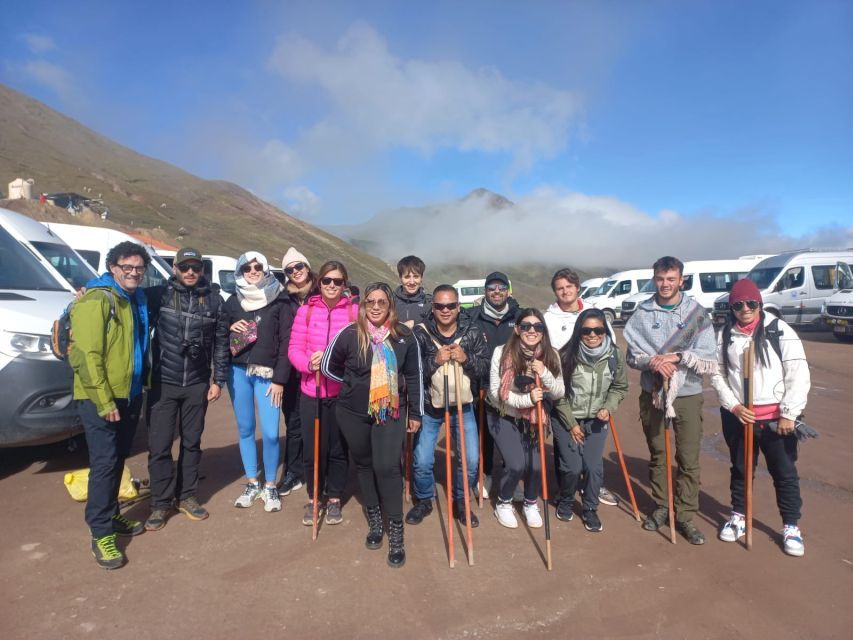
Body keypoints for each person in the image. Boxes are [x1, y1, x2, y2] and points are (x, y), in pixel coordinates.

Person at [321, 282, 424, 568]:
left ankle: (396, 531)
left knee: (387, 468)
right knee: (364, 465)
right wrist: (354, 386)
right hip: (352, 412)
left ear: (390, 306)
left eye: (382, 301)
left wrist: (415, 413)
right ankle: (375, 520)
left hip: (389, 411)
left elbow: (415, 377)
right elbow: (329, 366)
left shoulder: (404, 336)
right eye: (371, 301)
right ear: (364, 305)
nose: (376, 306)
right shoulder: (351, 334)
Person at [710, 278, 810, 556]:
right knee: (741, 469)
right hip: (740, 416)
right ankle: (739, 516)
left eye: (751, 303)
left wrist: (789, 413)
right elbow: (717, 374)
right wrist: (733, 406)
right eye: (738, 304)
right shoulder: (725, 334)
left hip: (776, 419)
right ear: (731, 307)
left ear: (759, 304)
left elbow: (798, 374)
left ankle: (791, 526)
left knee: (785, 473)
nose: (745, 308)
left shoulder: (780, 331)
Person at [623, 256, 717, 545]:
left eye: (671, 279)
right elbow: (631, 355)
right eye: (660, 279)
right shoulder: (642, 313)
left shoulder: (697, 314)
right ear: (655, 279)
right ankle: (662, 506)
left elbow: (707, 355)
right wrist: (653, 362)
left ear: (681, 280)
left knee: (687, 458)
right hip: (653, 393)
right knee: (658, 453)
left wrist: (676, 357)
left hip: (687, 394)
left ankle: (686, 515)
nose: (665, 284)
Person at [69, 241, 151, 569]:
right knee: (103, 463)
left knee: (117, 458)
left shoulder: (132, 299)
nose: (133, 273)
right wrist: (104, 401)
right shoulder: (96, 299)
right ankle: (100, 532)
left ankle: (113, 515)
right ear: (112, 267)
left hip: (128, 393)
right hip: (99, 397)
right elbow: (85, 355)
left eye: (139, 268)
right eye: (126, 267)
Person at [144, 247, 230, 531]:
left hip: (196, 384)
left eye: (195, 267)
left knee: (192, 443)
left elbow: (221, 344)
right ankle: (160, 503)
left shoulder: (214, 301)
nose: (190, 272)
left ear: (202, 269)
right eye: (184, 267)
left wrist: (219, 380)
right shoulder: (158, 296)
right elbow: (125, 300)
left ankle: (187, 497)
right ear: (174, 269)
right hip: (163, 383)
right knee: (159, 446)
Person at [406, 285, 489, 528]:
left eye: (451, 305)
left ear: (458, 306)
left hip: (463, 406)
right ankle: (424, 499)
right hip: (430, 406)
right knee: (421, 459)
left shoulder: (472, 332)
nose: (445, 310)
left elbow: (484, 368)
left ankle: (461, 501)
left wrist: (467, 359)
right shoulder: (420, 334)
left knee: (471, 459)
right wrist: (435, 360)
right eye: (440, 306)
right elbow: (412, 371)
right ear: (433, 307)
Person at [288, 260, 357, 527]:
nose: (331, 286)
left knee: (338, 448)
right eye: (327, 280)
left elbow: (359, 348)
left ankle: (335, 498)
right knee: (312, 448)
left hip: (341, 392)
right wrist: (308, 364)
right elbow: (294, 347)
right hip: (311, 389)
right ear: (320, 283)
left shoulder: (354, 311)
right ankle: (314, 497)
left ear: (344, 284)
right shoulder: (306, 311)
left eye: (337, 281)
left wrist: (336, 364)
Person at [224, 252, 293, 513]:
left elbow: (287, 341)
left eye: (257, 266)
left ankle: (271, 485)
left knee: (272, 432)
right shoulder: (232, 301)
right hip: (238, 371)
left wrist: (280, 379)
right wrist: (230, 326)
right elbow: (221, 332)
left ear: (265, 269)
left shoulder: (279, 299)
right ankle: (253, 482)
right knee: (245, 429)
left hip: (268, 375)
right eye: (246, 267)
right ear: (239, 271)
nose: (252, 271)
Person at [544, 267, 619, 508]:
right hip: (561, 387)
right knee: (564, 445)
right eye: (559, 288)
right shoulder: (549, 318)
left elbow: (611, 346)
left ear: (577, 288)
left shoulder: (593, 313)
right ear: (555, 292)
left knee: (593, 450)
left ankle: (594, 486)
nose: (565, 291)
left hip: (594, 389)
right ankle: (566, 488)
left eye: (569, 286)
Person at [487, 308, 564, 529]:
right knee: (516, 464)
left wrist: (545, 372)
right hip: (504, 414)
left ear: (543, 331)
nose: (532, 330)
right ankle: (504, 501)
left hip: (534, 419)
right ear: (518, 329)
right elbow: (495, 392)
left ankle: (531, 502)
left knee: (536, 465)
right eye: (526, 326)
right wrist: (528, 400)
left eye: (537, 326)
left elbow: (559, 391)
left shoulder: (551, 354)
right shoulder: (502, 352)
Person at [553, 309, 628, 532]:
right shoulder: (566, 356)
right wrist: (572, 424)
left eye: (598, 330)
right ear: (579, 332)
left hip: (596, 419)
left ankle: (590, 509)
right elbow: (558, 395)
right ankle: (566, 499)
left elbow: (619, 387)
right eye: (586, 330)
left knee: (593, 467)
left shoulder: (615, 356)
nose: (592, 335)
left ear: (605, 331)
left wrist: (608, 407)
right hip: (567, 418)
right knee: (573, 468)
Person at [469, 271, 521, 499]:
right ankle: (486, 473)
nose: (497, 292)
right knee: (485, 433)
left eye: (501, 288)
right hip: (481, 385)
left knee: (516, 433)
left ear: (508, 291)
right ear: (485, 292)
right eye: (492, 288)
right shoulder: (472, 316)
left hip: (514, 387)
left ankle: (514, 477)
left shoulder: (519, 316)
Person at [277, 247, 317, 497]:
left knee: (318, 422)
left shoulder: (323, 291)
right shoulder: (282, 299)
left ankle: (318, 470)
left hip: (317, 369)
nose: (295, 272)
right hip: (291, 371)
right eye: (290, 269)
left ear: (307, 267)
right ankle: (293, 472)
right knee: (293, 423)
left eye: (299, 267)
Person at [393, 255, 432, 328]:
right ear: (400, 278)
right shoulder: (390, 302)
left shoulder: (430, 304)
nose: (412, 282)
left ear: (421, 278)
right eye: (407, 277)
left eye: (416, 276)